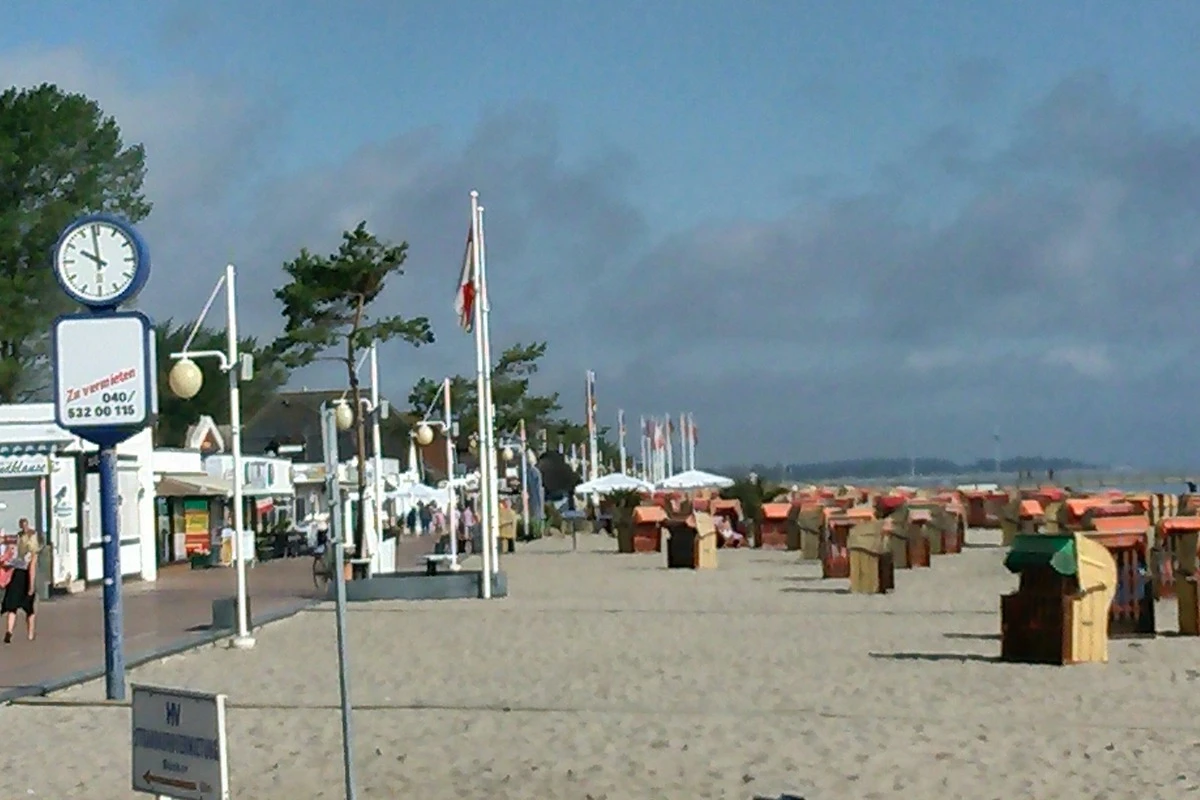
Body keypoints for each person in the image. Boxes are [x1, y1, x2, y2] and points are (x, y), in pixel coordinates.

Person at [3, 518, 41, 643]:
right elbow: (32, 569)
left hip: (16, 576)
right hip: (25, 577)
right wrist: (31, 586)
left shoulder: (19, 546)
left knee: (12, 607)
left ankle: (9, 631)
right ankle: (30, 634)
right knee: (29, 609)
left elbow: (12, 561)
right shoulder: (33, 553)